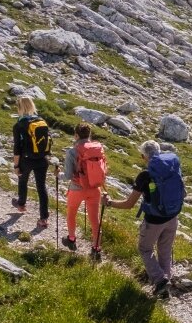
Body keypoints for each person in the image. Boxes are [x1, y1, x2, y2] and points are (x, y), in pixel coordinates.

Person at [107, 140, 183, 299]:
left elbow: (129, 204)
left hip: (154, 221)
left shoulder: (145, 175)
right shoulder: (172, 167)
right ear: (159, 152)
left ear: (144, 157)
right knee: (165, 250)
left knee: (145, 249)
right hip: (172, 217)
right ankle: (165, 288)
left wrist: (108, 203)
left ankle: (160, 280)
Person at [64, 124, 107, 258]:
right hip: (95, 188)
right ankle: (96, 248)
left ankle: (71, 239)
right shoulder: (98, 149)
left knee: (71, 214)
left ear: (76, 135)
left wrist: (58, 173)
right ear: (89, 135)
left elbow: (68, 175)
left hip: (77, 189)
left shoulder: (72, 152)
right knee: (95, 220)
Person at [10, 94, 50, 233]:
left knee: (23, 180)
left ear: (20, 108)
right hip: (42, 160)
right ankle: (44, 218)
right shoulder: (41, 121)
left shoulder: (19, 125)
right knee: (41, 187)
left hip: (26, 159)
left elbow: (17, 148)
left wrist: (16, 166)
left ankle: (21, 205)